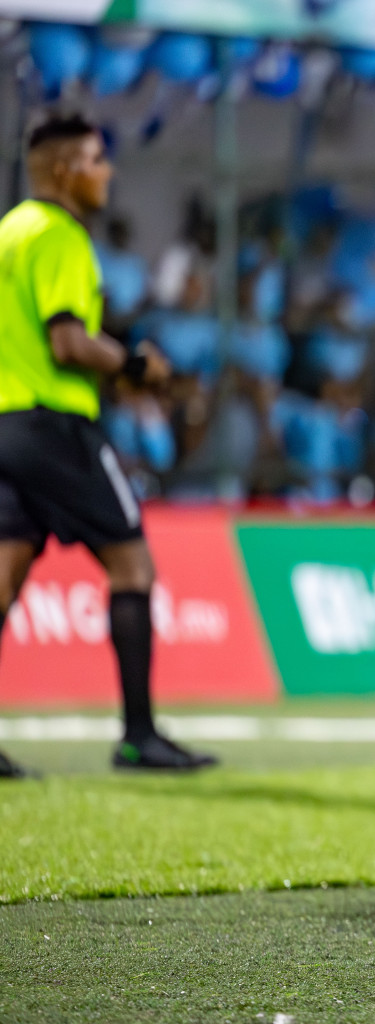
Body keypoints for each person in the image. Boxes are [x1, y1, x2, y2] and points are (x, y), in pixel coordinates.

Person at [0, 113, 218, 778]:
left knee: (3, 580)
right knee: (133, 568)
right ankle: (139, 736)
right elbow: (68, 342)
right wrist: (134, 366)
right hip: (54, 424)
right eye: (96, 161)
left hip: (5, 425)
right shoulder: (62, 235)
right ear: (64, 170)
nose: (107, 173)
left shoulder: (10, 231)